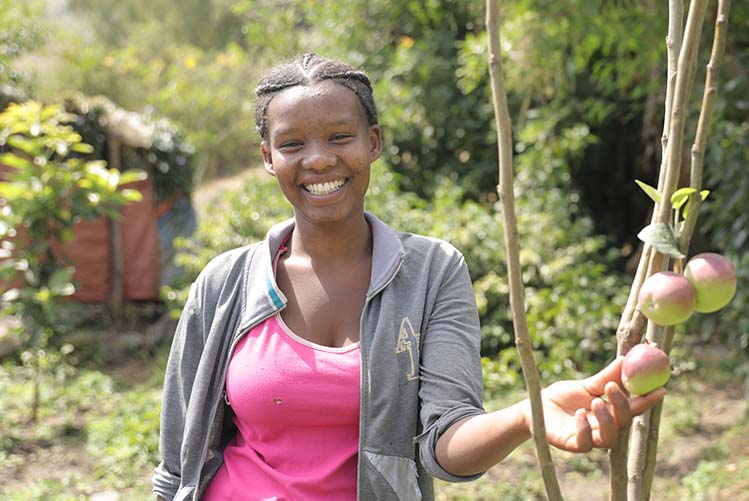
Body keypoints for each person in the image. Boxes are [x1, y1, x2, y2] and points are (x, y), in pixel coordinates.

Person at [152, 53, 665, 501]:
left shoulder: (431, 274)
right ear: (269, 158)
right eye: (291, 144)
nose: (319, 159)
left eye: (339, 136)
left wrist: (527, 415)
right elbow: (178, 461)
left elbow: (445, 446)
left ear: (373, 143)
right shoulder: (226, 285)